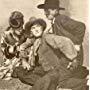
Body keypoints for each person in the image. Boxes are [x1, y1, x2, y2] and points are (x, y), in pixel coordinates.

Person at [12, 18, 88, 90]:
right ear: (31, 32)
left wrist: (73, 58)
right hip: (43, 69)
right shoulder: (35, 40)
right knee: (19, 70)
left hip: (55, 71)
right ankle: (50, 84)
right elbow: (23, 46)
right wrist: (24, 60)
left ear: (42, 27)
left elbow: (65, 42)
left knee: (43, 83)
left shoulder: (48, 37)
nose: (36, 30)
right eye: (33, 28)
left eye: (38, 26)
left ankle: (85, 83)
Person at [37, 0, 86, 67]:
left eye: (47, 11)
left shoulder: (61, 19)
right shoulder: (55, 22)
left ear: (56, 10)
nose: (45, 13)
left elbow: (81, 26)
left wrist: (77, 44)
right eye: (45, 10)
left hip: (74, 56)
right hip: (67, 56)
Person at [0, 11, 26, 80]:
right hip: (10, 58)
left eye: (22, 27)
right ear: (13, 27)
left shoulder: (24, 34)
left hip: (22, 56)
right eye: (18, 28)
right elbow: (4, 50)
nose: (21, 30)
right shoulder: (6, 35)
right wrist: (10, 50)